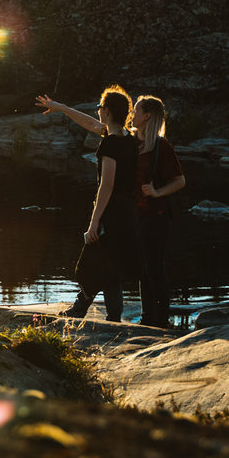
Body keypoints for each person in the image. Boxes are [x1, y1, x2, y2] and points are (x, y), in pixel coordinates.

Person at [35, 86, 139, 320]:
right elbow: (91, 125)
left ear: (108, 111)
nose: (98, 111)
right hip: (127, 211)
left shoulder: (111, 144)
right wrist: (62, 108)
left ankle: (85, 310)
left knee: (92, 263)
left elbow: (107, 185)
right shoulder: (127, 139)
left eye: (100, 107)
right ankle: (105, 315)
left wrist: (94, 222)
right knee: (108, 265)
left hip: (112, 212)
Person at [133, 95, 187, 327]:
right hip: (134, 215)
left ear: (146, 116)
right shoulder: (130, 141)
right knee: (142, 266)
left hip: (157, 217)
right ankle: (147, 317)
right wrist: (63, 108)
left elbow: (180, 181)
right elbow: (98, 126)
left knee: (153, 266)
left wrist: (156, 192)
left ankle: (161, 319)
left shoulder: (161, 147)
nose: (131, 115)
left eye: (135, 111)